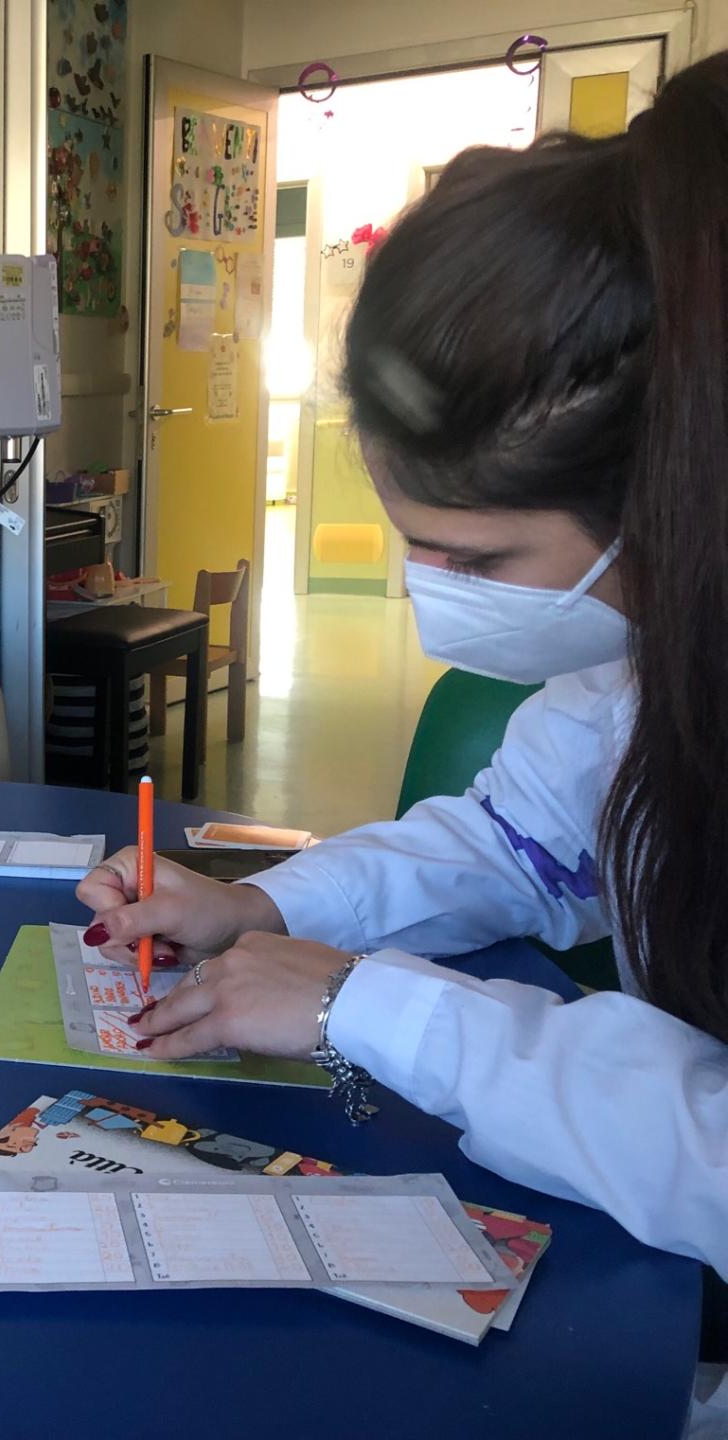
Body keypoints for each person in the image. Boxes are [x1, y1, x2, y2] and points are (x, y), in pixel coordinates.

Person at [79, 52, 727, 1403]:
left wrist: (364, 1004)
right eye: (413, 544)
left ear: (679, 497)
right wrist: (261, 909)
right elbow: (513, 845)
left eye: (479, 561)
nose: (435, 598)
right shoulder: (638, 663)